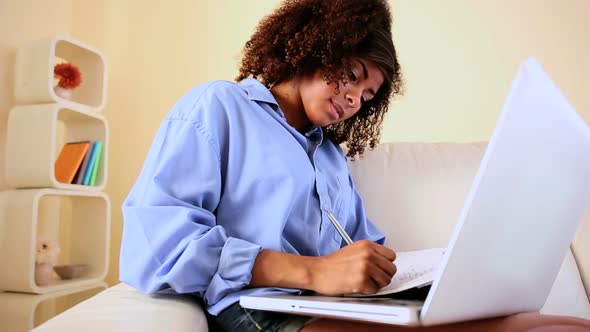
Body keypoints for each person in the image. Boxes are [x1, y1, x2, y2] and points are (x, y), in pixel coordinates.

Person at [119, 0, 590, 331]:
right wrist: (313, 271)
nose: (353, 100)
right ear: (314, 47)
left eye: (366, 96)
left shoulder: (329, 155)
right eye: (350, 77)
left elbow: (362, 249)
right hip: (265, 312)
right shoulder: (217, 106)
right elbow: (159, 243)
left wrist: (417, 273)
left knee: (558, 324)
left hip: (342, 308)